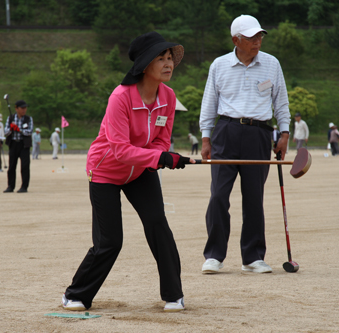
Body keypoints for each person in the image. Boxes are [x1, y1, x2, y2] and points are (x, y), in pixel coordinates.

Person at [62, 31, 192, 313]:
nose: (169, 63)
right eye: (162, 58)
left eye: (171, 58)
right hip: (105, 171)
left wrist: (163, 156)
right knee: (110, 242)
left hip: (140, 170)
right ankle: (76, 294)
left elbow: (160, 140)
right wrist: (161, 157)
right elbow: (120, 150)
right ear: (146, 64)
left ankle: (173, 294)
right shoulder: (120, 97)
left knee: (158, 224)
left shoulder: (168, 97)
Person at [199, 15, 291, 275]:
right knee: (218, 196)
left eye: (259, 36)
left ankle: (252, 257)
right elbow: (209, 103)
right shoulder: (219, 65)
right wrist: (206, 138)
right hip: (225, 132)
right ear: (235, 40)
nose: (257, 41)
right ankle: (214, 255)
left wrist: (284, 133)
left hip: (259, 134)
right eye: (251, 37)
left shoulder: (272, 64)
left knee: (254, 197)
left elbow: (281, 102)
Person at [4, 100, 33, 193]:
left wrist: (19, 130)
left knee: (25, 166)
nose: (24, 110)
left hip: (24, 145)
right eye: (22, 108)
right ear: (16, 109)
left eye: (25, 108)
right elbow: (5, 131)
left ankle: (24, 187)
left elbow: (29, 131)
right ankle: (10, 186)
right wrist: (11, 130)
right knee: (12, 166)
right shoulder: (10, 118)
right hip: (13, 144)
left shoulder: (28, 119)